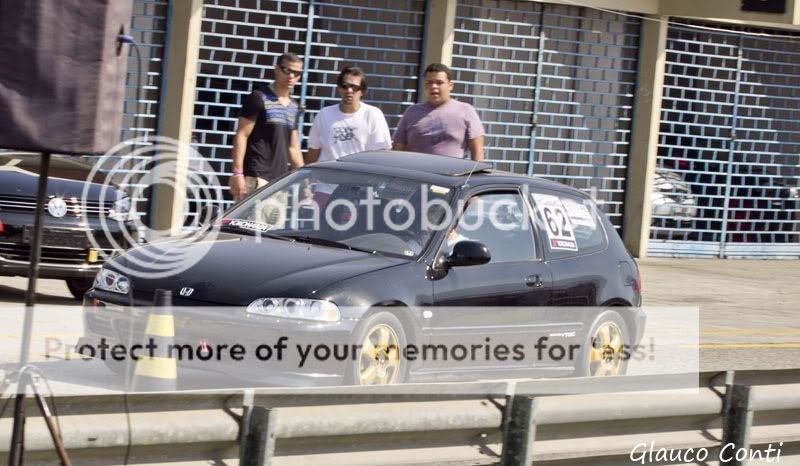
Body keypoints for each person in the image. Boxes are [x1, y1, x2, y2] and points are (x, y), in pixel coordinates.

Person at [229, 52, 305, 202]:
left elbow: (293, 148)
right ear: (276, 69)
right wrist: (237, 174)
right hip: (256, 178)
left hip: (280, 183)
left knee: (273, 226)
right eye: (287, 70)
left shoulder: (294, 107)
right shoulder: (258, 97)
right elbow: (241, 135)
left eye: (297, 73)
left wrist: (306, 181)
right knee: (248, 225)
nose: (291, 76)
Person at [392, 63, 485, 161]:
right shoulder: (412, 112)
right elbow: (397, 149)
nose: (434, 86)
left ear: (450, 85)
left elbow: (477, 151)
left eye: (439, 82)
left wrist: (475, 174)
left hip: (453, 174)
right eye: (429, 82)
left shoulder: (466, 111)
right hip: (417, 174)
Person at [306, 66, 391, 163]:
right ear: (339, 88)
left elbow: (381, 154)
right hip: (328, 175)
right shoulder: (324, 114)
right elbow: (314, 151)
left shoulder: (373, 114)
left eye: (354, 87)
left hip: (360, 175)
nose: (349, 90)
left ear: (362, 91)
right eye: (345, 86)